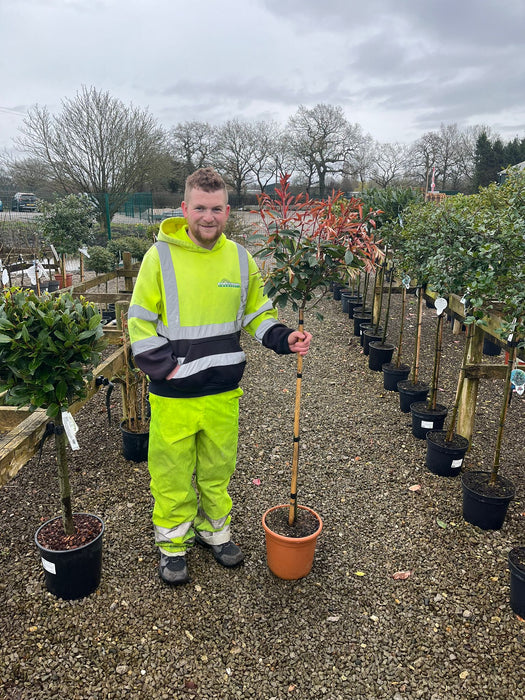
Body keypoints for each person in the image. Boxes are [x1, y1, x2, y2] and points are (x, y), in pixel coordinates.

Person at [128, 167, 312, 585]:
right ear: (184, 209)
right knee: (171, 473)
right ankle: (173, 546)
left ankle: (216, 533)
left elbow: (257, 314)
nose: (207, 217)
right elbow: (139, 322)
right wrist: (168, 370)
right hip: (174, 394)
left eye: (215, 209)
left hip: (223, 392)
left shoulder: (240, 258)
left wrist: (285, 338)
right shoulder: (160, 257)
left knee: (217, 469)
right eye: (199, 208)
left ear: (227, 211)